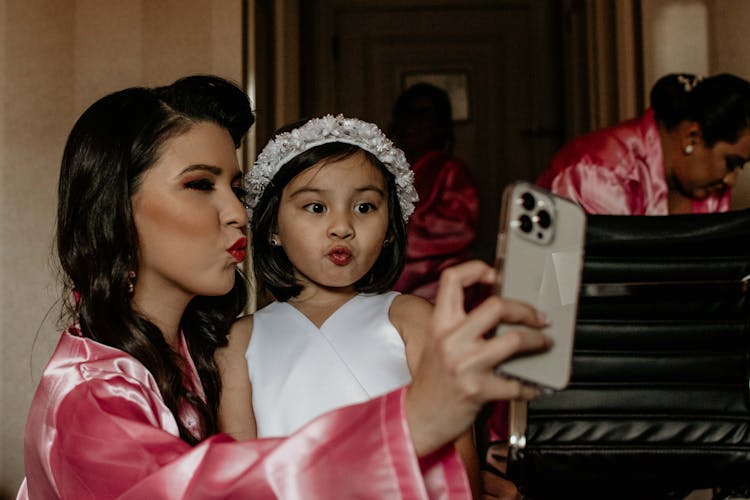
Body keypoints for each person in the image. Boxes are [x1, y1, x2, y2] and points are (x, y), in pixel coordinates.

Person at [18, 75, 551, 499]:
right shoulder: (88, 395)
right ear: (115, 209)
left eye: (235, 187)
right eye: (200, 185)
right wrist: (411, 425)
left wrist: (455, 477)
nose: (236, 213)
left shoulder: (194, 355)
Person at [217, 114, 486, 496]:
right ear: (273, 226)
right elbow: (239, 475)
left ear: (391, 227)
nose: (342, 226)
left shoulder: (412, 319)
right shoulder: (240, 342)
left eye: (364, 208)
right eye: (315, 207)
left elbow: (458, 457)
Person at [537, 73, 750, 214]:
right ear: (691, 137)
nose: (730, 180)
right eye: (731, 163)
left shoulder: (708, 189)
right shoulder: (595, 173)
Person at [388, 82, 480, 303]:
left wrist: (388, 231)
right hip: (392, 284)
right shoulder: (387, 171)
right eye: (406, 113)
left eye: (424, 114)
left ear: (441, 125)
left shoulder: (450, 171)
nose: (413, 121)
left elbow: (459, 227)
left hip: (438, 285)